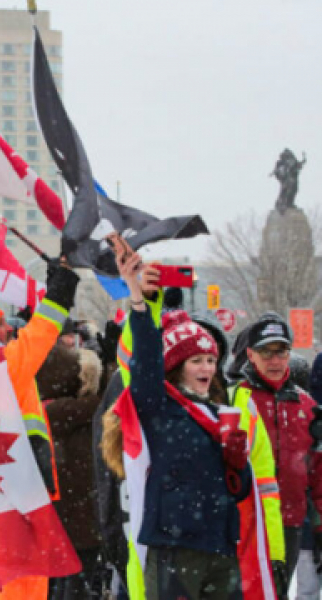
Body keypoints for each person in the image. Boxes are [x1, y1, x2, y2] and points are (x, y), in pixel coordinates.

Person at [103, 252, 253, 600]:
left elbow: (240, 490)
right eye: (197, 360)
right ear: (177, 366)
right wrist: (140, 301)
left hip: (220, 545)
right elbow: (145, 362)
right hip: (174, 547)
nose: (207, 367)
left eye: (212, 360)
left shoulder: (218, 413)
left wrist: (236, 464)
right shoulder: (158, 407)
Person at [0, 259, 80, 600]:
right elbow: (40, 335)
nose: (9, 329)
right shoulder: (0, 368)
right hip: (18, 489)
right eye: (1, 325)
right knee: (23, 583)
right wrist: (61, 289)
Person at [232, 314, 322, 583]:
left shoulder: (307, 406)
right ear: (250, 354)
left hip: (290, 522)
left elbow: (317, 472)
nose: (274, 361)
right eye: (265, 352)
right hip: (247, 522)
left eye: (281, 352)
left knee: (280, 591)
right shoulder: (235, 398)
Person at [38, 345, 104, 599]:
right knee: (78, 584)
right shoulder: (92, 414)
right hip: (85, 518)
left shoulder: (41, 411)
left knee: (58, 584)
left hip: (53, 515)